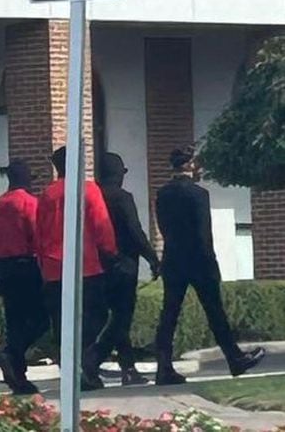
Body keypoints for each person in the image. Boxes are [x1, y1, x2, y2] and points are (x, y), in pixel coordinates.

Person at [154, 145, 265, 385]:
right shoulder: (198, 194)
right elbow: (204, 234)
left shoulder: (162, 194)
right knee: (215, 312)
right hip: (198, 260)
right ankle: (234, 359)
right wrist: (211, 264)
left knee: (169, 314)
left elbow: (164, 228)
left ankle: (163, 367)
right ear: (190, 165)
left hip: (173, 259)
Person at [36, 146, 117, 391]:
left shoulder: (47, 194)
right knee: (98, 316)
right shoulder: (89, 189)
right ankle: (84, 359)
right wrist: (110, 251)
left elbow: (38, 231)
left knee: (61, 321)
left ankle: (70, 368)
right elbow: (102, 224)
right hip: (86, 266)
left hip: (53, 267)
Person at [84, 152, 161, 386]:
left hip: (97, 264)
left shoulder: (90, 197)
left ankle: (127, 367)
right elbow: (134, 230)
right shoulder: (122, 197)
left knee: (112, 318)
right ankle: (93, 360)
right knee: (121, 318)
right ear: (118, 174)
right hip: (124, 264)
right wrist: (153, 258)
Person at [0, 159, 48, 395]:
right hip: (25, 265)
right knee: (41, 319)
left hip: (2, 268)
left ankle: (18, 377)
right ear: (26, 178)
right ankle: (11, 354)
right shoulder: (29, 203)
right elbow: (37, 236)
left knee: (15, 322)